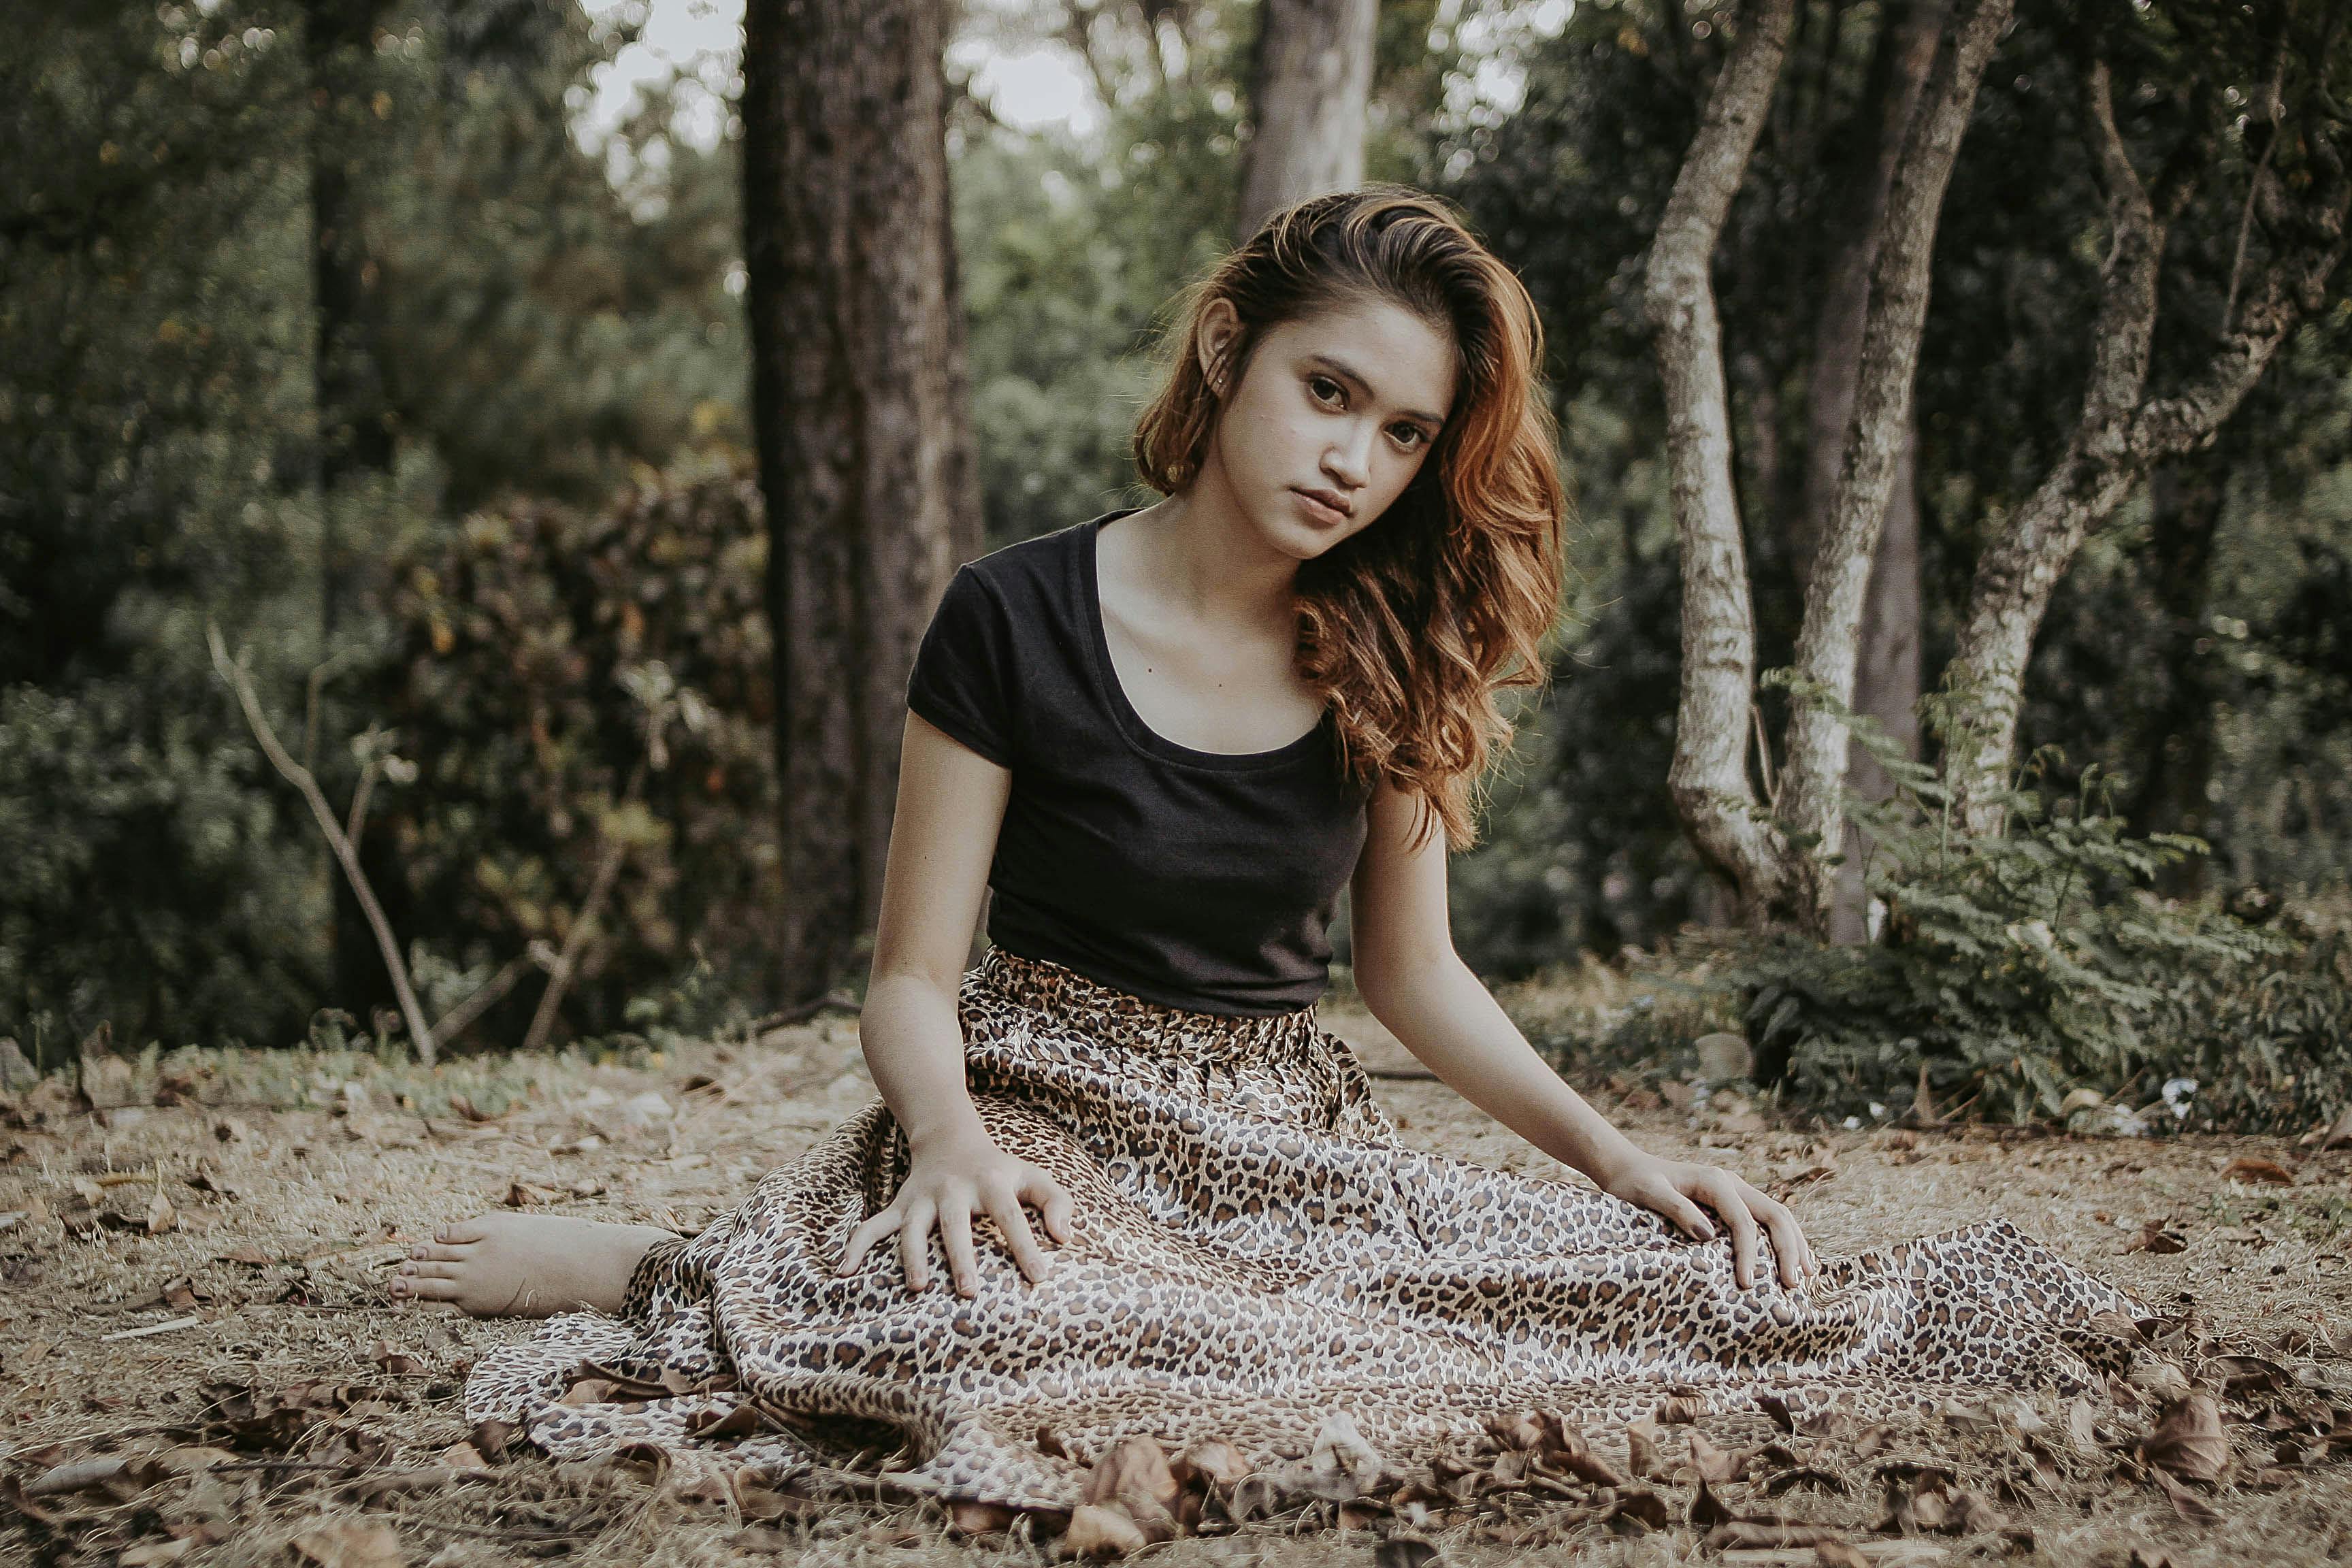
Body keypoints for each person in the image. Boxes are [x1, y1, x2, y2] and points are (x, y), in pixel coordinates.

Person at [398, 188, 2142, 1510]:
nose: (1357, 461)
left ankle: (757, 1265)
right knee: (1016, 1324)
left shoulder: (1395, 644)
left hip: (1275, 1136)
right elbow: (913, 975)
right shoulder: (1011, 615)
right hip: (1040, 1110)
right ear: (1230, 351)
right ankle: (676, 1269)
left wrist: (1621, 1167)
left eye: (1402, 433)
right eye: (1330, 392)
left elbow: (1413, 975)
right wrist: (942, 1142)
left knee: (1648, 1297)